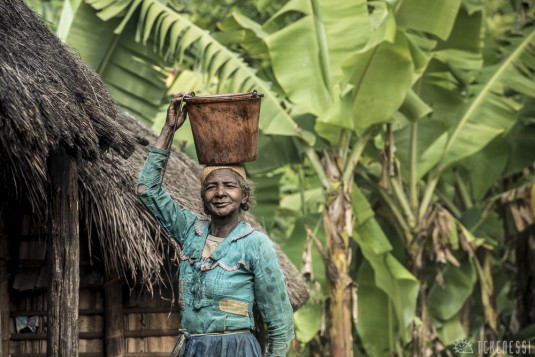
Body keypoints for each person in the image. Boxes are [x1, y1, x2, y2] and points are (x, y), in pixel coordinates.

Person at [137, 93, 294, 357]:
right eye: (211, 187)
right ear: (203, 196)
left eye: (229, 186)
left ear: (244, 196)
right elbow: (146, 190)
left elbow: (280, 324)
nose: (220, 193)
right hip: (192, 347)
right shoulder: (191, 231)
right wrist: (169, 129)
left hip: (236, 348)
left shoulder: (256, 245)